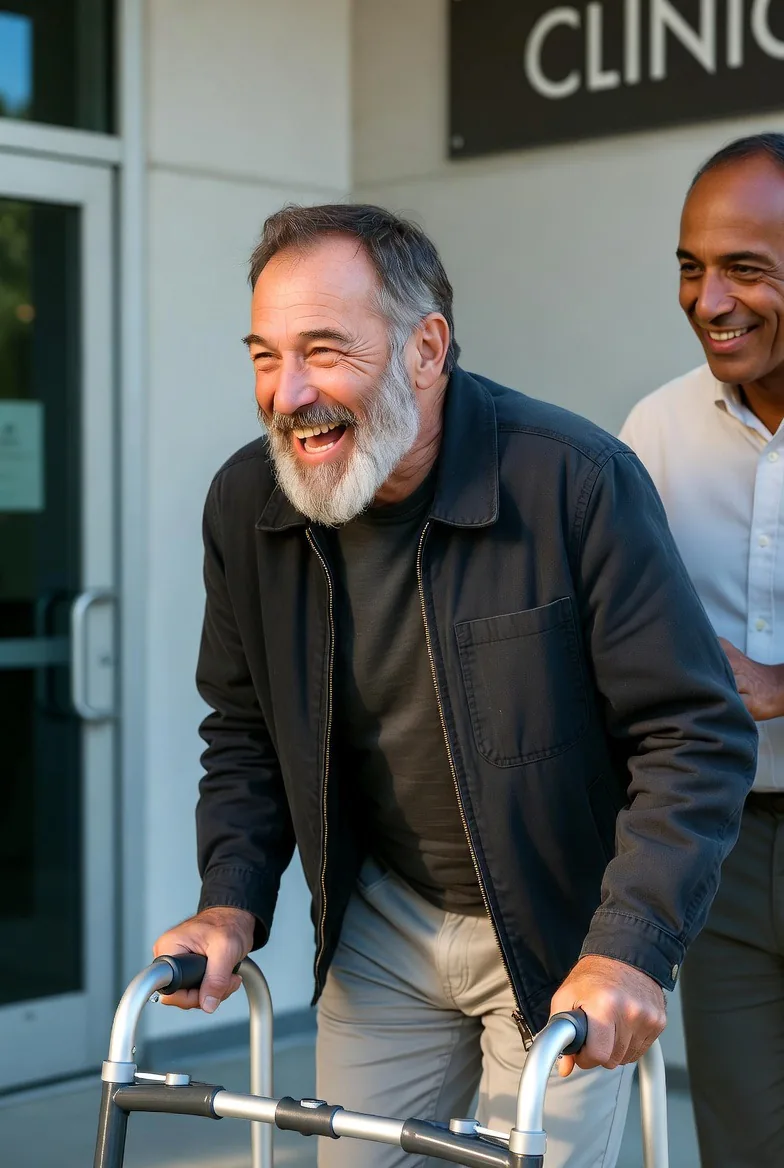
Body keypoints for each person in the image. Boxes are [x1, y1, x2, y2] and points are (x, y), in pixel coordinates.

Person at [155, 203, 756, 1168]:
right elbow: (244, 729)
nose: (287, 393)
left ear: (426, 349)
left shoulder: (575, 481)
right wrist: (230, 896)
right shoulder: (248, 502)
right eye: (265, 355)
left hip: (557, 930)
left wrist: (629, 943)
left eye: (322, 350)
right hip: (380, 920)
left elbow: (693, 732)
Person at [620, 133, 784, 1167]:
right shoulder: (654, 429)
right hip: (721, 849)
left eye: (745, 269)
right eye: (691, 266)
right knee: (742, 1136)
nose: (708, 300)